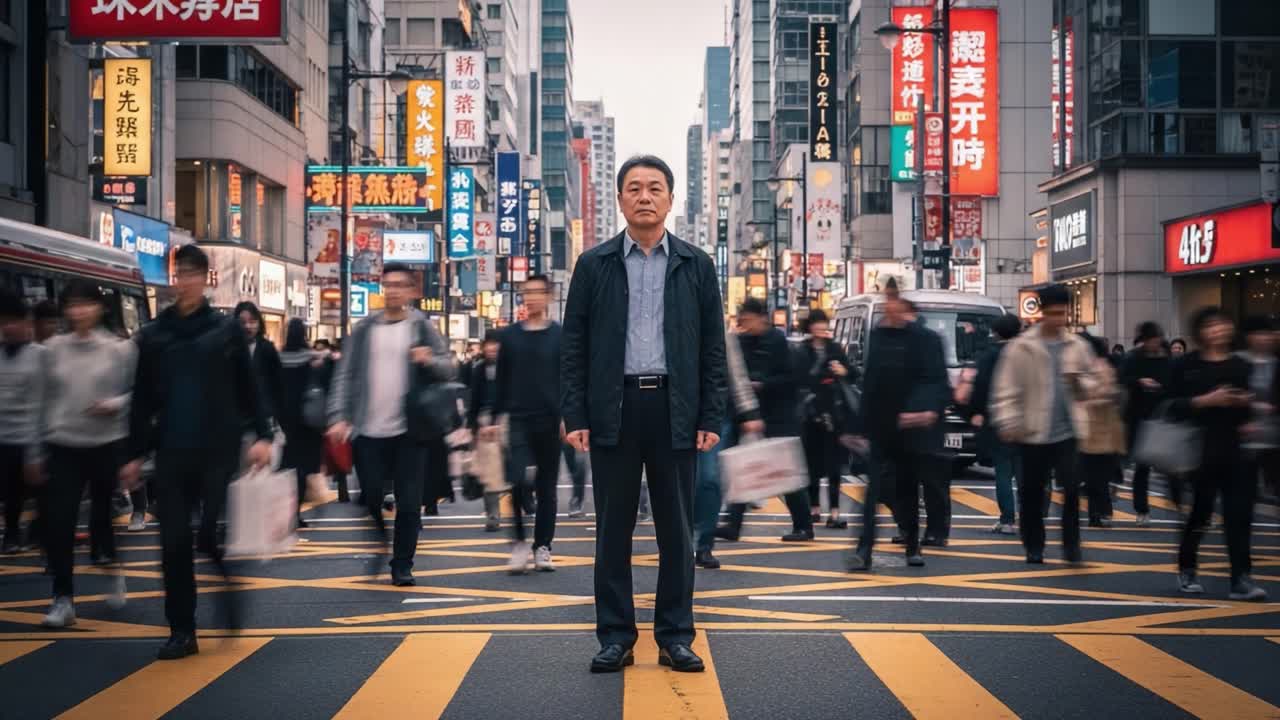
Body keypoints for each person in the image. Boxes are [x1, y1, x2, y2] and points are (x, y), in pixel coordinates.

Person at [562, 155, 725, 674]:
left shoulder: (696, 265)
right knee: (613, 530)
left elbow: (712, 350)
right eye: (634, 188)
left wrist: (710, 416)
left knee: (676, 531)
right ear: (620, 199)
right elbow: (574, 347)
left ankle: (676, 635)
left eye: (655, 187)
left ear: (670, 199)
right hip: (614, 407)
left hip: (675, 408)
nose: (645, 196)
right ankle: (615, 636)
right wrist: (575, 415)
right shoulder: (594, 264)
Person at [119, 245, 274, 659]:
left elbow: (250, 387)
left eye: (192, 273)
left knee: (206, 535)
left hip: (216, 451)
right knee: (172, 543)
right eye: (179, 273)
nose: (184, 280)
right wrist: (133, 454)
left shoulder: (225, 331)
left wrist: (262, 435)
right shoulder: (155, 334)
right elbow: (141, 399)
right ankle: (182, 630)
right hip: (170, 451)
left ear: (206, 279)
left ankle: (227, 588)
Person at [327, 262, 453, 587]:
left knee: (410, 503)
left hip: (410, 431)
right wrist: (338, 417)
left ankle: (402, 564)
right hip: (368, 430)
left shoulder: (421, 326)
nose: (393, 290)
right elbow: (345, 374)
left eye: (400, 284)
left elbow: (449, 368)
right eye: (388, 284)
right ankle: (381, 540)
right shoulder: (365, 328)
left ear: (411, 290)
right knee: (370, 497)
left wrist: (429, 360)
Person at [38, 281, 136, 627]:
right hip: (63, 444)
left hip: (105, 445)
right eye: (72, 305)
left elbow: (137, 394)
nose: (78, 311)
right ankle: (63, 598)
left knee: (100, 521)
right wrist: (36, 451)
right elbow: (42, 399)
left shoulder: (118, 350)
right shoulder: (52, 349)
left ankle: (112, 566)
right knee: (60, 521)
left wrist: (115, 404)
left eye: (86, 304)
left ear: (99, 308)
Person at [991, 285, 1102, 565]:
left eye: (1062, 313)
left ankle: (1071, 545)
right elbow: (1006, 388)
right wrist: (1008, 420)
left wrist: (1081, 382)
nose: (1058, 319)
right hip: (1033, 430)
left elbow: (1094, 383)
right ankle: (1034, 545)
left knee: (1072, 490)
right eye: (1052, 313)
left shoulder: (1077, 346)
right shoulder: (1022, 346)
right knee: (1032, 492)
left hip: (1069, 431)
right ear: (1042, 312)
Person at [1168, 308, 1265, 601]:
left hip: (1236, 452)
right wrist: (1206, 401)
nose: (1218, 331)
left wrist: (1247, 408)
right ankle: (1187, 570)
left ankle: (1241, 579)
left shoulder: (1240, 365)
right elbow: (1171, 406)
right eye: (1211, 326)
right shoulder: (1188, 365)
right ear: (1200, 332)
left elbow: (1250, 404)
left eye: (1223, 325)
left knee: (1239, 517)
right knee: (1200, 514)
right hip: (1199, 452)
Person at [849, 295, 949, 571]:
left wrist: (922, 412)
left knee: (907, 489)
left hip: (912, 429)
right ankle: (863, 549)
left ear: (908, 312)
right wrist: (858, 428)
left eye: (896, 308)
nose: (890, 312)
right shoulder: (878, 337)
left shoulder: (926, 340)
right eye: (886, 308)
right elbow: (869, 383)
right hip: (882, 427)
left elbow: (935, 381)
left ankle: (912, 545)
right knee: (872, 493)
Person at [486, 274, 565, 573]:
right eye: (526, 292)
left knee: (547, 487)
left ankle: (542, 546)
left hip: (550, 419)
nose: (530, 298)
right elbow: (501, 382)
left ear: (548, 297)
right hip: (517, 419)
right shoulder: (509, 337)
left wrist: (568, 417)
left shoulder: (560, 335)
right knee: (517, 480)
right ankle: (519, 543)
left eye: (536, 292)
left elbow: (569, 380)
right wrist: (493, 419)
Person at [716, 299, 812, 542]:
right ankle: (733, 525)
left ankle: (804, 526)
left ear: (762, 318)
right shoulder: (741, 340)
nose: (744, 325)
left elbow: (791, 378)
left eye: (748, 320)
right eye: (742, 321)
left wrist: (763, 384)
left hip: (778, 415)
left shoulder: (779, 341)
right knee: (741, 470)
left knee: (784, 473)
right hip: (747, 415)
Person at [693, 315, 763, 569]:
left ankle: (704, 544)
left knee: (710, 479)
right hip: (680, 414)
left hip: (716, 415)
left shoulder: (722, 332)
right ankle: (686, 537)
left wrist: (748, 412)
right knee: (687, 481)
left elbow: (737, 373)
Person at [796, 310, 853, 529]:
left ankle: (835, 512)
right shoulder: (802, 350)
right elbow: (800, 379)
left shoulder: (835, 348)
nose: (821, 328)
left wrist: (843, 370)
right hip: (811, 415)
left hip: (834, 414)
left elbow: (853, 374)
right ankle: (814, 509)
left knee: (835, 465)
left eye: (824, 324)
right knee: (812, 465)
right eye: (817, 324)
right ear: (810, 326)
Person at [968, 313, 1022, 534]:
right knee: (1026, 472)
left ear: (996, 331)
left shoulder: (989, 355)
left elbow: (980, 386)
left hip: (999, 418)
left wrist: (976, 412)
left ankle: (1007, 520)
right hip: (1026, 418)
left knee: (1003, 471)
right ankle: (1031, 517)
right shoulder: (1026, 352)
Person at [0, 293, 46, 554]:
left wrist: (34, 452)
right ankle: (12, 534)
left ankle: (39, 532)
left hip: (32, 438)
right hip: (4, 439)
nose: (7, 327)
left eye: (12, 321)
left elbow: (39, 405)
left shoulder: (39, 356)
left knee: (38, 491)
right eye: (2, 321)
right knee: (11, 494)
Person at [1121, 322, 1172, 524]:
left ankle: (1179, 502)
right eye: (1151, 339)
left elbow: (1174, 382)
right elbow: (1122, 378)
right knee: (1142, 466)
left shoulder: (1166, 358)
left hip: (1162, 416)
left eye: (1157, 339)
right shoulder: (1133, 358)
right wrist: (1139, 381)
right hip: (1139, 417)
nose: (1154, 343)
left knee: (1170, 465)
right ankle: (1142, 509)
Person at [277, 319, 326, 529]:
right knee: (302, 469)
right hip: (306, 419)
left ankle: (283, 512)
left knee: (285, 467)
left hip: (285, 418)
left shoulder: (279, 357)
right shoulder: (311, 358)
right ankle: (295, 512)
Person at [1078, 333, 1126, 528]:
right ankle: (1098, 513)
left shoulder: (1099, 368)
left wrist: (1086, 401)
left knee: (1095, 475)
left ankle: (1098, 513)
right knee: (1096, 476)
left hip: (1098, 429)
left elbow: (1107, 395)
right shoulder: (1098, 367)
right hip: (1095, 429)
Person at [469, 332, 504, 531]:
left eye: (495, 345)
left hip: (506, 422)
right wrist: (472, 427)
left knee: (513, 468)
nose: (491, 348)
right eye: (488, 345)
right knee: (489, 471)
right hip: (484, 426)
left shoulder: (509, 368)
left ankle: (525, 500)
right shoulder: (478, 369)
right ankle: (493, 514)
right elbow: (473, 400)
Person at [234, 301, 284, 428]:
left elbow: (277, 384)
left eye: (252, 321)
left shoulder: (267, 349)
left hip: (264, 416)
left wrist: (275, 413)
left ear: (259, 323)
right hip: (236, 417)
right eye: (242, 322)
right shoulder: (229, 349)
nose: (248, 326)